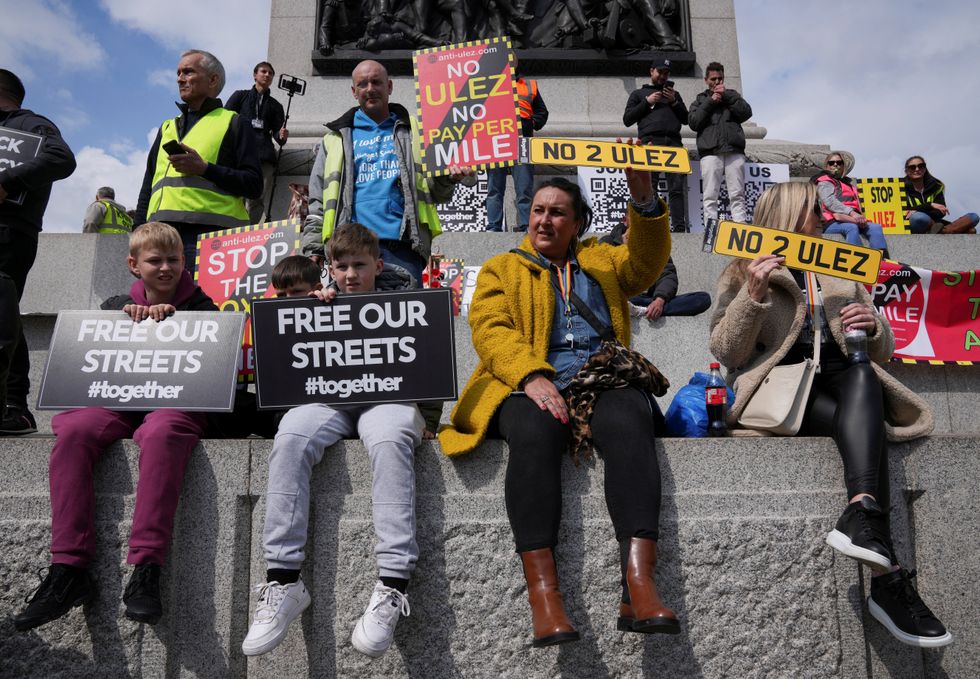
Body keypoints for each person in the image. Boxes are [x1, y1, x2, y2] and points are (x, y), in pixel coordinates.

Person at [440, 152, 681, 647]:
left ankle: (638, 584)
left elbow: (645, 264)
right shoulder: (500, 268)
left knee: (631, 417)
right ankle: (545, 597)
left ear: (577, 224)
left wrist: (644, 201)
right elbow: (489, 329)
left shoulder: (602, 259)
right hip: (523, 382)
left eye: (556, 213)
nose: (543, 219)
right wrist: (529, 375)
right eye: (537, 211)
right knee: (533, 430)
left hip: (600, 379)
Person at [709, 182, 952, 648]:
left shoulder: (840, 267)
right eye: (813, 210)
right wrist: (753, 295)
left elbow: (882, 351)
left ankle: (862, 513)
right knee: (864, 421)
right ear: (788, 215)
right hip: (786, 385)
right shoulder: (740, 270)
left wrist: (873, 325)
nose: (823, 217)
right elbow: (726, 350)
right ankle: (889, 581)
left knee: (863, 377)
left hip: (849, 375)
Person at [13, 223, 218, 632]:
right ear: (133, 265)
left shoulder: (205, 308)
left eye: (173, 260)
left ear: (185, 262)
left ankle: (147, 567)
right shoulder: (113, 305)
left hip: (171, 407)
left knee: (162, 432)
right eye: (154, 261)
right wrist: (126, 318)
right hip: (117, 404)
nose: (165, 268)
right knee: (73, 430)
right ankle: (68, 569)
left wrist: (175, 322)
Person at [243, 223, 424, 659]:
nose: (349, 275)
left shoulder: (404, 300)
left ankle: (393, 585)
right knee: (289, 436)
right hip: (326, 400)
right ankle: (284, 581)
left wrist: (428, 418)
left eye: (359, 266)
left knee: (389, 441)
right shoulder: (317, 300)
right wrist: (307, 314)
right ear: (328, 268)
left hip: (386, 400)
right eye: (340, 267)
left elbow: (428, 360)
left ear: (378, 266)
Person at [301, 59, 472, 285]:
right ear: (354, 91)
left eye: (376, 82)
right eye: (362, 84)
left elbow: (437, 193)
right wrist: (313, 249)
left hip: (402, 249)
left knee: (406, 320)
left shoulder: (418, 132)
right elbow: (318, 202)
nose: (370, 89)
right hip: (350, 252)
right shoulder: (333, 139)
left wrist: (448, 179)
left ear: (389, 86)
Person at [134, 50, 262, 275]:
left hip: (210, 242)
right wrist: (137, 234)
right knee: (157, 311)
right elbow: (148, 186)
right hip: (158, 240)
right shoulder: (166, 127)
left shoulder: (234, 123)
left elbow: (254, 184)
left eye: (188, 72)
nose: (180, 78)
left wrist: (204, 169)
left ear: (213, 80)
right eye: (178, 73)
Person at [0, 69, 76, 436]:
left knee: (2, 311)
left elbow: (62, 159)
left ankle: (13, 404)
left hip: (8, 232)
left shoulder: (31, 124)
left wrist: (7, 181)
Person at [623, 58, 689, 232]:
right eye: (659, 72)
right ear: (651, 71)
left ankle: (679, 228)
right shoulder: (638, 94)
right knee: (649, 187)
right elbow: (627, 120)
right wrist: (647, 102)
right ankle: (650, 226)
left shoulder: (674, 95)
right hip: (649, 143)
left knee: (676, 189)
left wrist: (674, 102)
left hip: (674, 144)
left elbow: (687, 119)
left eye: (666, 73)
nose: (662, 76)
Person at [600, 218, 711, 320]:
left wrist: (659, 300)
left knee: (702, 299)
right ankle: (635, 308)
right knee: (605, 302)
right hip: (622, 298)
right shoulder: (607, 242)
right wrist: (625, 249)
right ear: (625, 220)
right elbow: (603, 277)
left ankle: (644, 310)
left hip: (649, 298)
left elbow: (667, 274)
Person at [486, 58, 548, 232]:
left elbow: (542, 112)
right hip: (496, 143)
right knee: (494, 190)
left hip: (522, 144)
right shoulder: (487, 85)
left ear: (516, 62)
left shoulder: (529, 85)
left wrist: (532, 124)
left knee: (524, 190)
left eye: (510, 59)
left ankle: (526, 226)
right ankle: (493, 226)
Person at [687, 61, 752, 225]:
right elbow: (693, 123)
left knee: (737, 193)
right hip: (710, 152)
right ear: (706, 80)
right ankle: (711, 228)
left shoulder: (732, 95)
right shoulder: (699, 101)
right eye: (713, 79)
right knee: (710, 193)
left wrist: (727, 96)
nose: (717, 82)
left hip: (734, 150)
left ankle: (740, 226)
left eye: (720, 79)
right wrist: (710, 102)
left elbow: (746, 113)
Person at [225, 62, 289, 223]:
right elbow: (225, 120)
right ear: (255, 75)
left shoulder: (276, 105)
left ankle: (250, 231)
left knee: (257, 197)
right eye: (263, 71)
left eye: (270, 73)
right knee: (236, 194)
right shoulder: (240, 96)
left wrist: (282, 135)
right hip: (239, 154)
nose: (267, 75)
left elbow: (278, 138)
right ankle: (233, 229)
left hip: (264, 156)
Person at [813, 152, 888, 253]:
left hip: (852, 219)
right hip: (830, 222)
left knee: (875, 227)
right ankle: (857, 258)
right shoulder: (824, 181)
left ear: (844, 166)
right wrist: (852, 214)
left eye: (839, 162)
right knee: (851, 228)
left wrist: (859, 218)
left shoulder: (849, 184)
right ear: (826, 166)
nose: (835, 165)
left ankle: (881, 259)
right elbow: (830, 202)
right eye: (832, 163)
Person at [901, 156, 977, 235]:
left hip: (936, 222)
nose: (917, 169)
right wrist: (930, 205)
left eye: (921, 166)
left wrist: (917, 209)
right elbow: (904, 212)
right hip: (915, 223)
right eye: (912, 167)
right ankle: (953, 230)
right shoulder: (900, 187)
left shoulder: (936, 186)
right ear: (907, 171)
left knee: (974, 216)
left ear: (925, 168)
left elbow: (941, 211)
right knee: (919, 217)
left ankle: (944, 231)